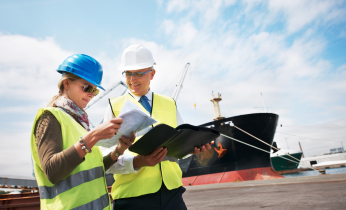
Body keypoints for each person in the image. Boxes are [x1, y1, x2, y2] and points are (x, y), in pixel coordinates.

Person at [103, 44, 213, 210]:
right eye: (128, 73)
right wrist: (138, 161)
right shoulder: (114, 106)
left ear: (152, 74)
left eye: (138, 73)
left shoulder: (169, 103)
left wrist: (190, 149)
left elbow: (178, 144)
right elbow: (105, 159)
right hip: (133, 197)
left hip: (172, 194)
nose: (132, 79)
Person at [30, 54, 135, 210]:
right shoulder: (49, 118)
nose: (91, 93)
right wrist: (93, 136)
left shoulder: (80, 123)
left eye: (95, 90)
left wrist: (119, 150)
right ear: (66, 83)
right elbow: (52, 171)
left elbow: (92, 171)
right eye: (87, 87)